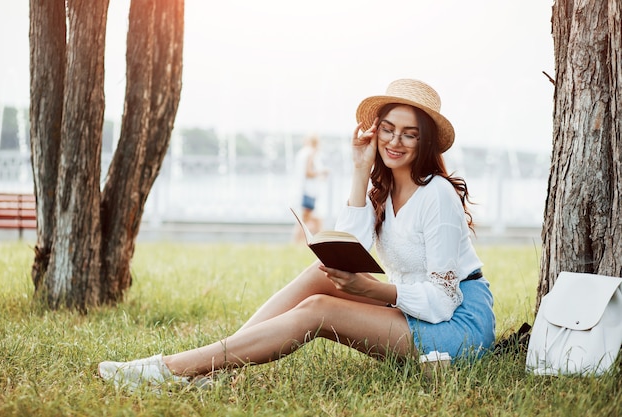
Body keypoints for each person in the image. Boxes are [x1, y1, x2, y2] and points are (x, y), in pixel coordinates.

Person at [98, 78, 495, 391]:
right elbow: (351, 246)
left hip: (457, 326)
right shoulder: (385, 189)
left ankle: (171, 368)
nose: (395, 141)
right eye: (388, 129)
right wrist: (359, 169)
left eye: (409, 134)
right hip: (415, 310)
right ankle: (211, 366)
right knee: (320, 274)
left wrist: (371, 290)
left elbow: (443, 301)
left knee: (318, 310)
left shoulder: (436, 195)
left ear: (425, 140)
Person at [292, 134, 329, 243]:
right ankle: (298, 242)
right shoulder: (311, 153)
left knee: (311, 219)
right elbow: (308, 172)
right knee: (306, 219)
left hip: (305, 191)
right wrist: (322, 172)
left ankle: (319, 242)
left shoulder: (302, 153)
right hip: (309, 192)